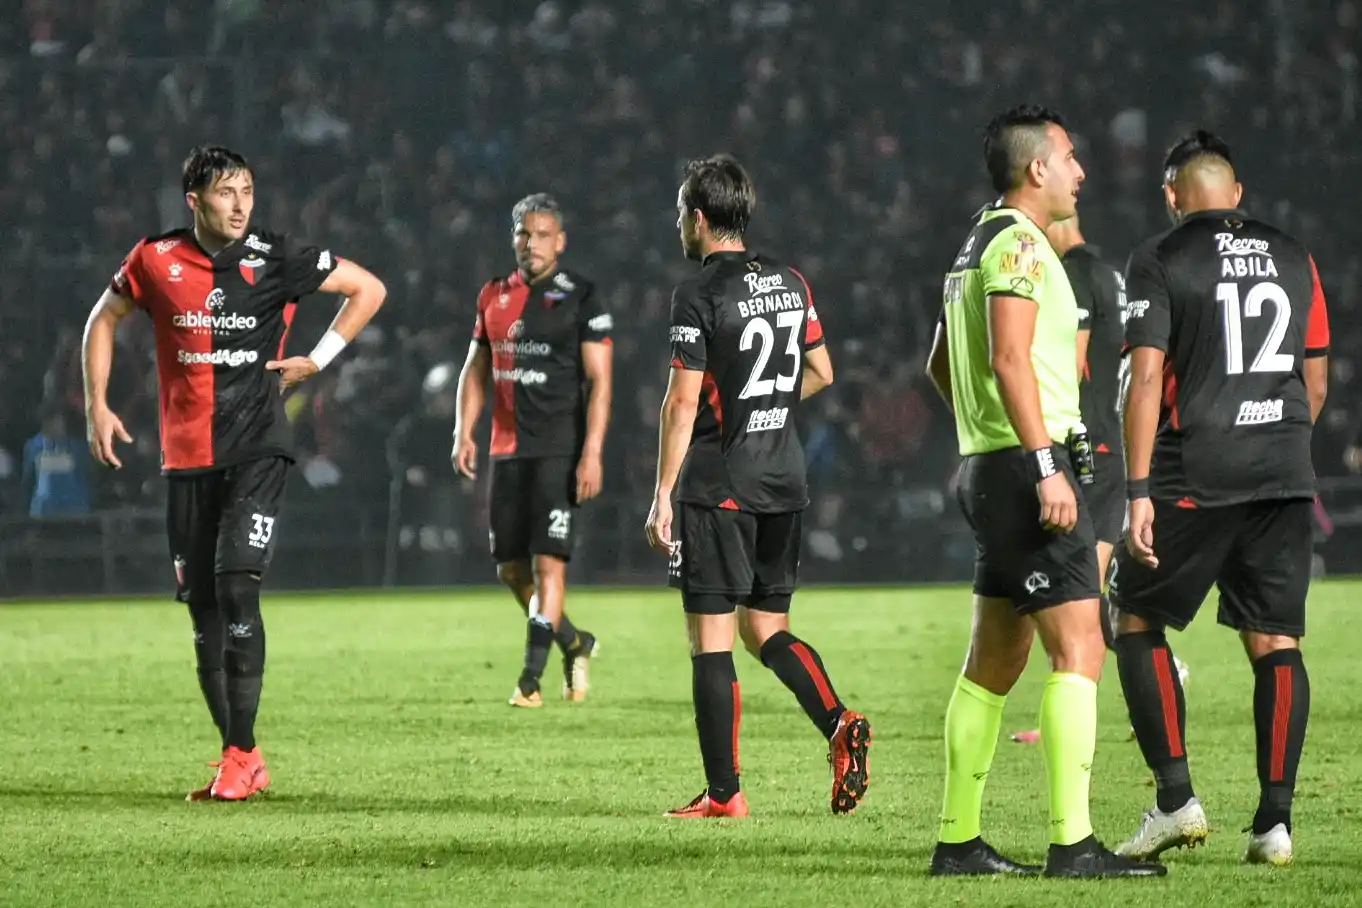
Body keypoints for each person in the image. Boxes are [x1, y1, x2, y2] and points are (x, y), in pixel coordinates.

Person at [82, 144, 387, 801]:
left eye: (248, 189)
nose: (241, 203)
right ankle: (239, 752)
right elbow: (102, 319)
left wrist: (319, 357)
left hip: (257, 446)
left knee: (237, 585)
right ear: (194, 200)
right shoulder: (154, 259)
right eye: (227, 192)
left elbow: (369, 288)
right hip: (186, 459)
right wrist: (96, 404)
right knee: (202, 611)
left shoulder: (274, 257)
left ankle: (240, 755)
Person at [924, 106, 1162, 878]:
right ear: (1037, 169)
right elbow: (1009, 359)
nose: (1080, 172)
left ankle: (958, 841)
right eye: (1069, 157)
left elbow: (941, 364)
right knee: (1081, 644)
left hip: (991, 467)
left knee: (993, 660)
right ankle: (1074, 844)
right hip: (1030, 471)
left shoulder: (975, 242)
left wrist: (989, 439)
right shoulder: (1022, 245)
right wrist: (1041, 462)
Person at [1110, 130, 1329, 867]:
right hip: (1283, 472)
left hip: (1194, 473)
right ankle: (1275, 824)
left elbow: (1144, 380)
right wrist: (1274, 443)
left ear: (1173, 198)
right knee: (1276, 642)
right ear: (1236, 194)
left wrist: (1137, 488)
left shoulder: (1161, 256)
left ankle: (1176, 801)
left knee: (1135, 618)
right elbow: (1317, 378)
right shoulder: (1297, 256)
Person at [645, 154, 870, 819]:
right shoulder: (791, 281)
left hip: (720, 485)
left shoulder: (698, 292)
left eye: (681, 212)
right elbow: (823, 370)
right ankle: (837, 721)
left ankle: (724, 795)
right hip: (784, 479)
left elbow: (681, 404)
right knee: (768, 627)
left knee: (710, 639)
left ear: (698, 217)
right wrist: (765, 406)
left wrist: (662, 492)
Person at [1010, 214, 1188, 745]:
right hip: (1112, 445)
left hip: (1090, 448)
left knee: (1077, 593)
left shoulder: (1071, 275)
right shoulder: (1112, 273)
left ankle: (1080, 708)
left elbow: (1072, 360)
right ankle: (1157, 678)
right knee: (1084, 592)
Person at [452, 194, 611, 708]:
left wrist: (592, 453)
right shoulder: (493, 296)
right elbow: (476, 369)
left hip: (558, 451)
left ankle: (530, 681)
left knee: (549, 568)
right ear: (513, 238)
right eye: (524, 233)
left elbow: (600, 382)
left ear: (560, 242)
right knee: (510, 570)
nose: (532, 243)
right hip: (507, 451)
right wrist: (463, 430)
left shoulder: (582, 297)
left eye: (543, 234)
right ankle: (575, 641)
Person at [20, 408, 92, 519]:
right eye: (57, 421)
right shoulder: (33, 446)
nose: (61, 425)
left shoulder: (77, 448)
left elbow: (86, 475)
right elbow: (28, 480)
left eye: (62, 421)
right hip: (43, 511)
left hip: (75, 511)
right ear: (46, 423)